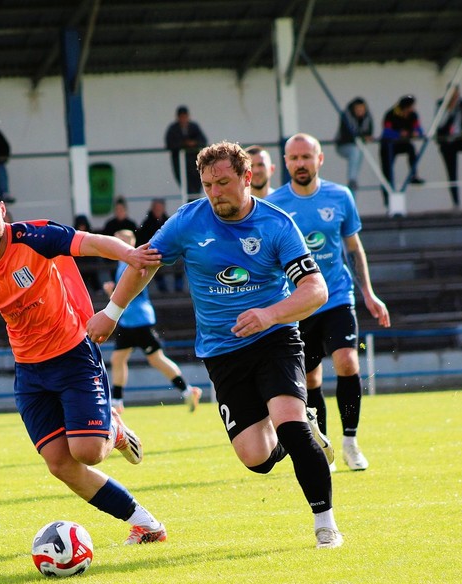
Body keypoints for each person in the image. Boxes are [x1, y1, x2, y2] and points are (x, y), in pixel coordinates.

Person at [88, 141, 342, 549]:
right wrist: (112, 312)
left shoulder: (276, 224)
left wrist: (270, 314)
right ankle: (301, 432)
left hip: (274, 339)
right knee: (255, 458)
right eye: (207, 185)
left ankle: (325, 525)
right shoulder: (188, 221)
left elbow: (316, 290)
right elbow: (143, 264)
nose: (215, 192)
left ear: (247, 177)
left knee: (290, 424)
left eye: (223, 182)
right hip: (222, 352)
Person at [0, 178, 167, 545]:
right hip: (29, 371)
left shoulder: (35, 237)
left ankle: (113, 430)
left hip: (72, 355)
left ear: (2, 210)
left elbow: (90, 242)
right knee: (60, 464)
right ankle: (147, 525)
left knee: (88, 452)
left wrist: (129, 255)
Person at [267, 133, 390, 473]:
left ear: (319, 159)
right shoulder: (275, 204)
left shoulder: (340, 196)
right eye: (294, 158)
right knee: (310, 380)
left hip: (337, 295)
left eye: (306, 157)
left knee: (347, 362)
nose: (300, 163)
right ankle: (323, 444)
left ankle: (351, 441)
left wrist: (368, 293)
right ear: (286, 162)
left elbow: (354, 248)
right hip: (300, 303)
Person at [103, 229, 202, 414]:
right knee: (119, 359)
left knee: (155, 359)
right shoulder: (122, 263)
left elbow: (132, 291)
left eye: (118, 241)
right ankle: (117, 401)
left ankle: (187, 390)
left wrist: (111, 293)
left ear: (129, 242)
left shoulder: (129, 263)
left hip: (138, 320)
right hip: (128, 321)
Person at [379, 95, 424, 205]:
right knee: (387, 172)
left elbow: (419, 129)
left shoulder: (413, 115)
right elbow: (386, 132)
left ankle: (414, 175)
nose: (412, 109)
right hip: (388, 146)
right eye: (410, 107)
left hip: (402, 144)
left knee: (411, 149)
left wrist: (415, 133)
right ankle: (387, 200)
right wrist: (399, 134)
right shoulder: (391, 114)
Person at [137, 198, 183, 293]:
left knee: (180, 261)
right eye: (156, 208)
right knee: (154, 263)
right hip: (153, 253)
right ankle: (163, 290)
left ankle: (179, 289)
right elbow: (143, 242)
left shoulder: (169, 221)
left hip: (170, 251)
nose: (158, 210)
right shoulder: (146, 224)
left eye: (160, 208)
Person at [164, 105, 207, 197]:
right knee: (186, 187)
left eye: (185, 116)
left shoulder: (194, 127)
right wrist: (184, 144)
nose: (183, 119)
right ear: (178, 117)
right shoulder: (173, 129)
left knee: (197, 186)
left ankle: (195, 201)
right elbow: (170, 144)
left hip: (195, 162)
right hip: (180, 163)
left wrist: (194, 143)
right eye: (181, 117)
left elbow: (203, 141)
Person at [335, 98, 374, 192]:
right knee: (355, 150)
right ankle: (352, 180)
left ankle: (353, 183)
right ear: (354, 109)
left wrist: (365, 137)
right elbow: (346, 135)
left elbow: (369, 132)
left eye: (362, 109)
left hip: (359, 147)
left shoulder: (367, 117)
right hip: (343, 146)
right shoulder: (346, 117)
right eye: (358, 109)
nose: (360, 112)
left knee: (358, 152)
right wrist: (362, 137)